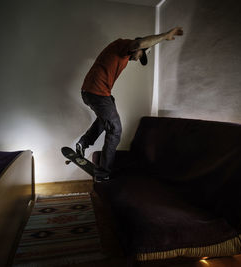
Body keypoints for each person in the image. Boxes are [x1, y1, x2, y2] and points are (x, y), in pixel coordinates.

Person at [76, 27, 183, 182]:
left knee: (107, 118)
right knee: (115, 129)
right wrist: (165, 35)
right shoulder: (124, 46)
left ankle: (83, 143)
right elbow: (140, 43)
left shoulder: (124, 56)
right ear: (139, 48)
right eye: (141, 55)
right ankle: (103, 173)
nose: (138, 59)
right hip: (96, 92)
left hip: (94, 93)